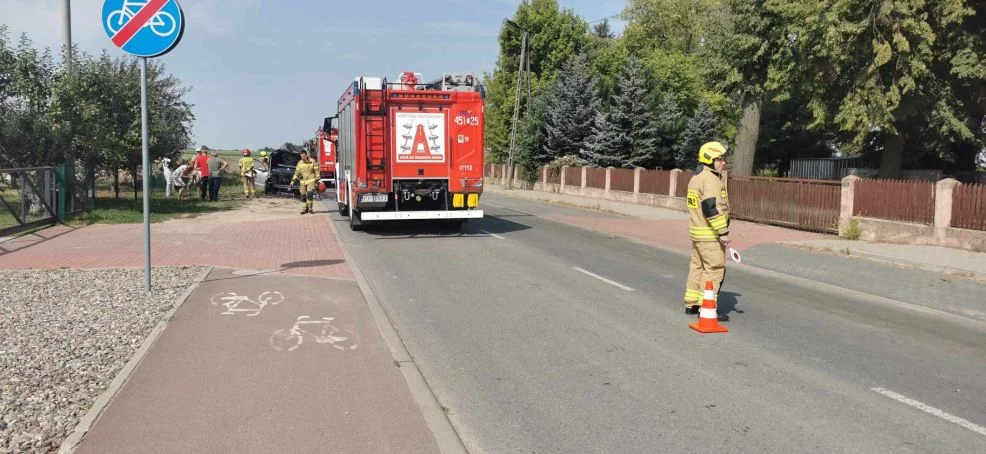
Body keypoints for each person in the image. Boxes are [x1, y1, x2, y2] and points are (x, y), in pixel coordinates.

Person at [683, 141, 731, 321]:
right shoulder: (710, 180)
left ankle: (691, 304)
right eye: (719, 159)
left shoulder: (696, 177)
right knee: (714, 269)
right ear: (709, 159)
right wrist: (723, 232)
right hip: (710, 235)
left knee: (697, 267)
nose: (723, 162)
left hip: (697, 232)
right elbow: (711, 208)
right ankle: (706, 307)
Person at [291, 150, 319, 214]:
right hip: (302, 182)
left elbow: (317, 170)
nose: (302, 158)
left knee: (309, 194)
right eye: (301, 157)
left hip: (311, 180)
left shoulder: (312, 161)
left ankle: (310, 209)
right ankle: (304, 209)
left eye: (303, 156)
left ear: (306, 155)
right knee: (303, 196)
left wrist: (317, 178)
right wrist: (292, 181)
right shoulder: (299, 163)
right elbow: (296, 173)